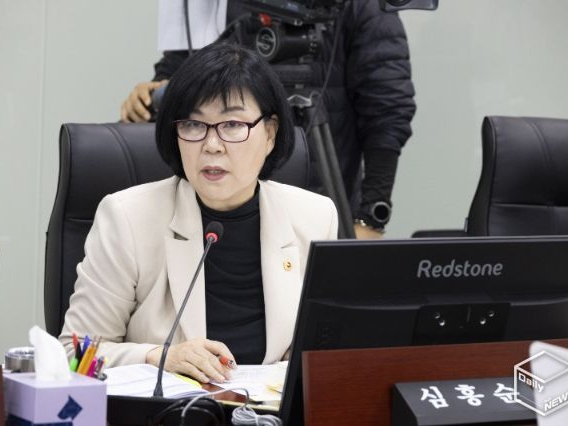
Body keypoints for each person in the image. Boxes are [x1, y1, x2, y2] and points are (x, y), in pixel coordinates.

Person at [60, 43, 338, 383]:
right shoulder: (128, 218)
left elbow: (328, 347)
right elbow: (75, 356)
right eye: (193, 124)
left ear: (269, 133)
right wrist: (159, 357)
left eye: (232, 124)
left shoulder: (315, 217)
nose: (212, 145)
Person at [121, 0, 416, 238]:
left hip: (322, 199)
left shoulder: (356, 7)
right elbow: (182, 67)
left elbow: (387, 111)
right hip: (219, 209)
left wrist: (370, 217)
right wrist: (157, 90)